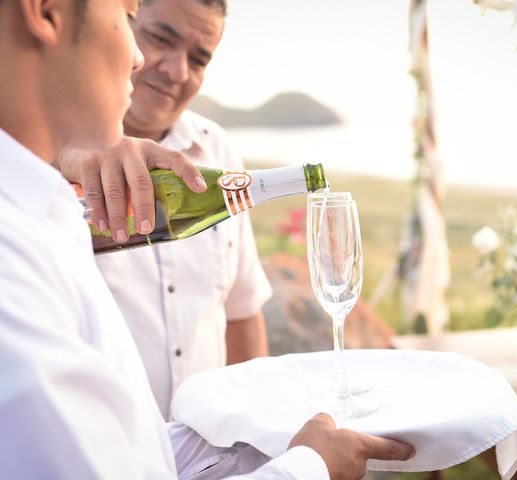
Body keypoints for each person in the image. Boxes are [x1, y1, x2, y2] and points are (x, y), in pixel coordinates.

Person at [0, 0, 415, 478]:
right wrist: (310, 469)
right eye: (127, 13)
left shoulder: (49, 216)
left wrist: (273, 443)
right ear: (46, 11)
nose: (139, 58)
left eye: (199, 57)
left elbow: (140, 454)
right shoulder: (18, 257)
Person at [91, 0, 270, 421]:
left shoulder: (220, 151)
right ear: (122, 22)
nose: (178, 70)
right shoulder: (51, 155)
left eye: (199, 58)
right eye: (160, 38)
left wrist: (260, 437)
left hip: (210, 453)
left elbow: (242, 314)